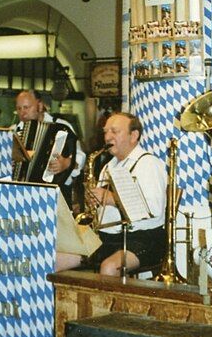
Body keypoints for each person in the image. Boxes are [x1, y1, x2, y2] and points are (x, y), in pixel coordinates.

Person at [56, 112, 167, 275]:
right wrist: (95, 201)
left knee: (108, 268)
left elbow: (154, 209)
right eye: (106, 132)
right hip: (107, 238)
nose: (107, 137)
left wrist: (110, 198)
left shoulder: (149, 164)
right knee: (55, 259)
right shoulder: (109, 166)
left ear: (134, 135)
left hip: (144, 238)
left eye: (114, 132)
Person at [14, 90, 85, 203]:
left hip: (56, 193)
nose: (22, 113)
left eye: (26, 107)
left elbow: (80, 157)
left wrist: (67, 163)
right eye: (19, 108)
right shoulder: (14, 130)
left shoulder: (61, 126)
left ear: (40, 106)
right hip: (21, 194)